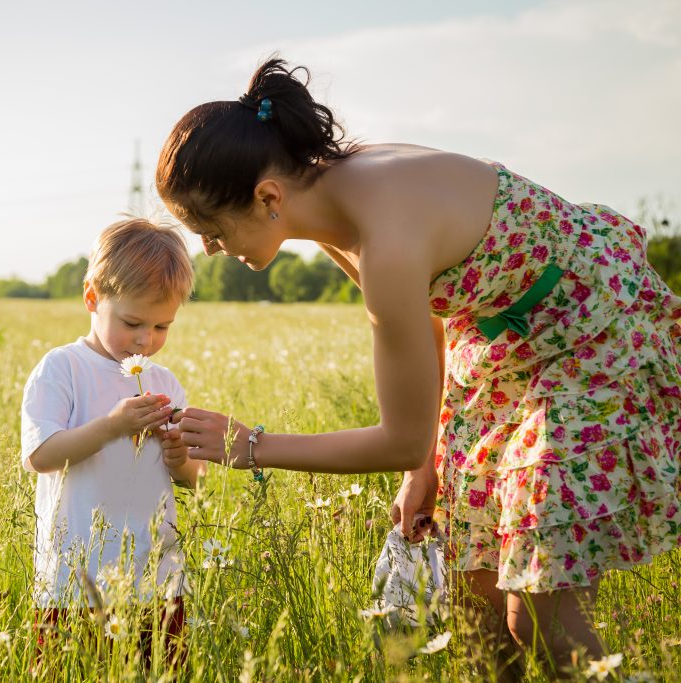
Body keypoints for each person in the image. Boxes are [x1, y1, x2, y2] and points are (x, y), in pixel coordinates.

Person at [156, 57, 681, 676]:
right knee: (474, 607)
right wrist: (425, 468)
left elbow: (398, 435)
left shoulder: (386, 236)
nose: (211, 249)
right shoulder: (324, 196)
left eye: (210, 230)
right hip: (496, 349)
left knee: (536, 618)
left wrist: (248, 446)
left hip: (586, 340)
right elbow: (430, 319)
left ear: (267, 196)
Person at [20, 217, 204, 666]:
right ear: (91, 297)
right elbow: (40, 457)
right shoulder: (62, 368)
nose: (146, 340)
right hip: (75, 578)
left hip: (157, 575)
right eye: (133, 322)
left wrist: (180, 458)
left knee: (160, 670)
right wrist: (111, 427)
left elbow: (192, 479)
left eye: (162, 327)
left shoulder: (163, 382)